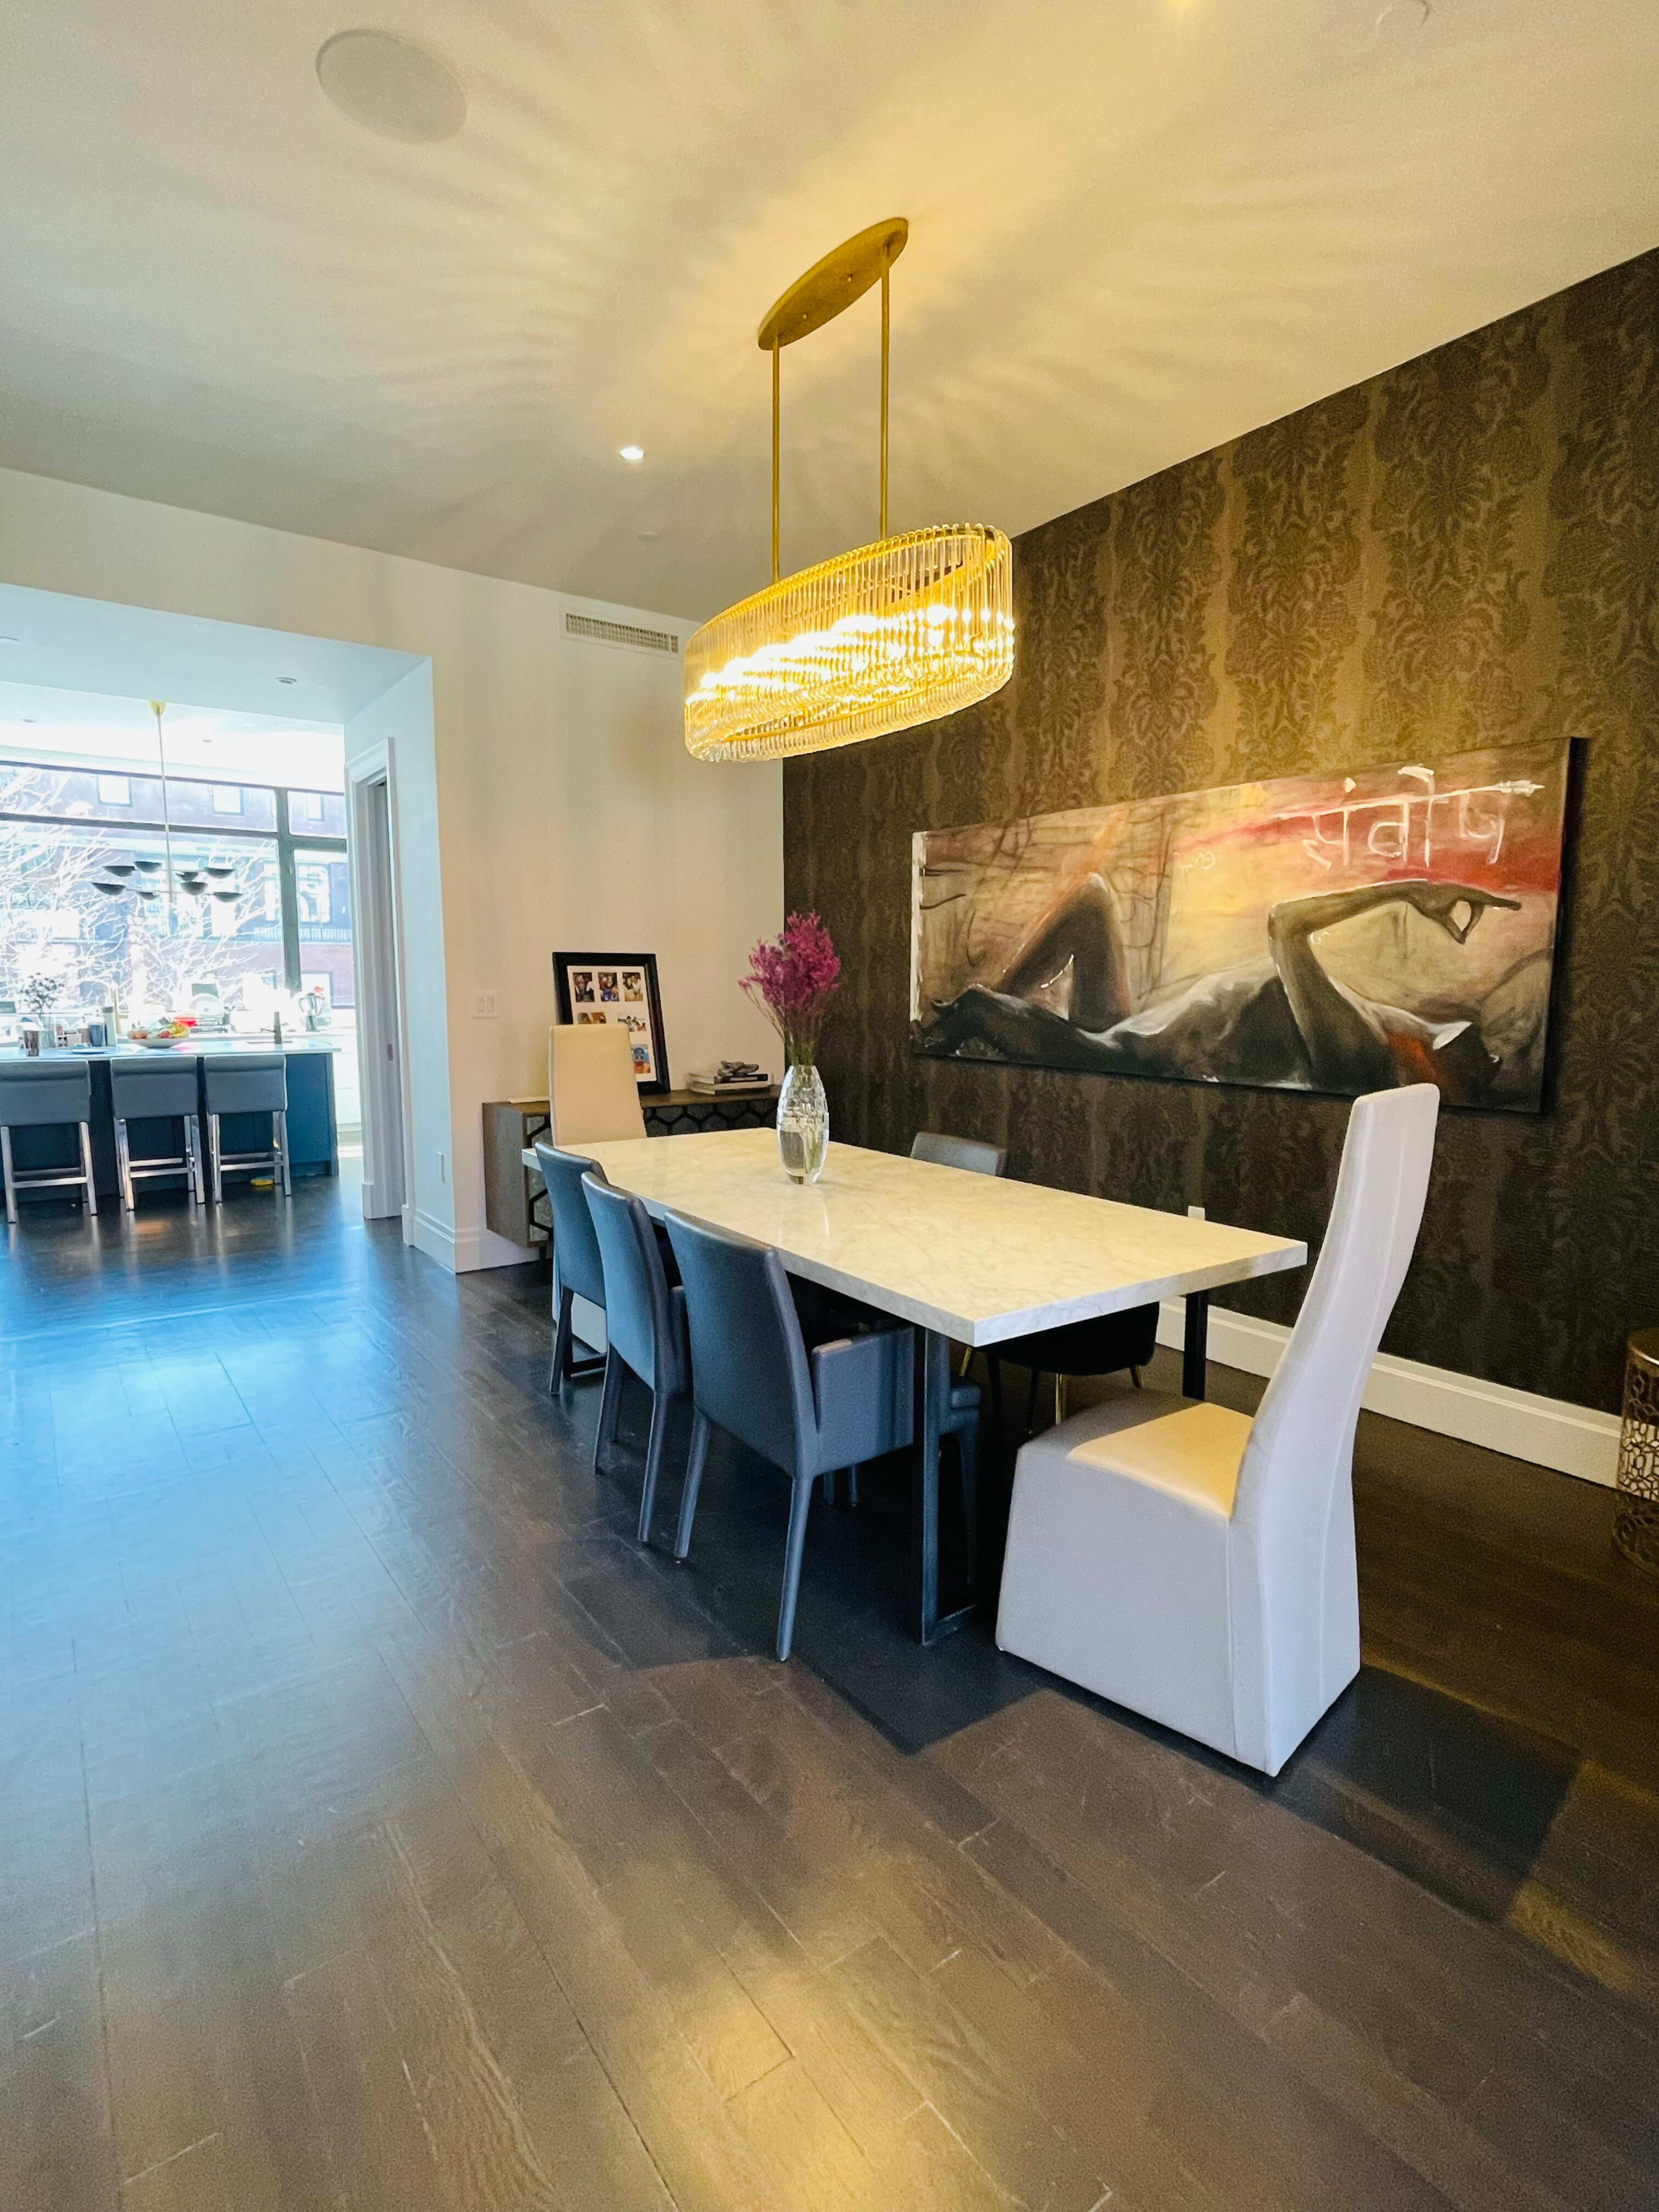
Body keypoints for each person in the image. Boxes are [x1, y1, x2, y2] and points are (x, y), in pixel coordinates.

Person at [918, 871, 1522, 1100]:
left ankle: (974, 1017)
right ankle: (991, 1011)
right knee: (1092, 896)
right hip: (1132, 1027)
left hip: (1131, 1057)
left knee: (978, 1009)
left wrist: (1407, 889)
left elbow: (1286, 926)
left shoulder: (1361, 1058)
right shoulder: (1379, 1027)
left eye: (1482, 1066)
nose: (1488, 1053)